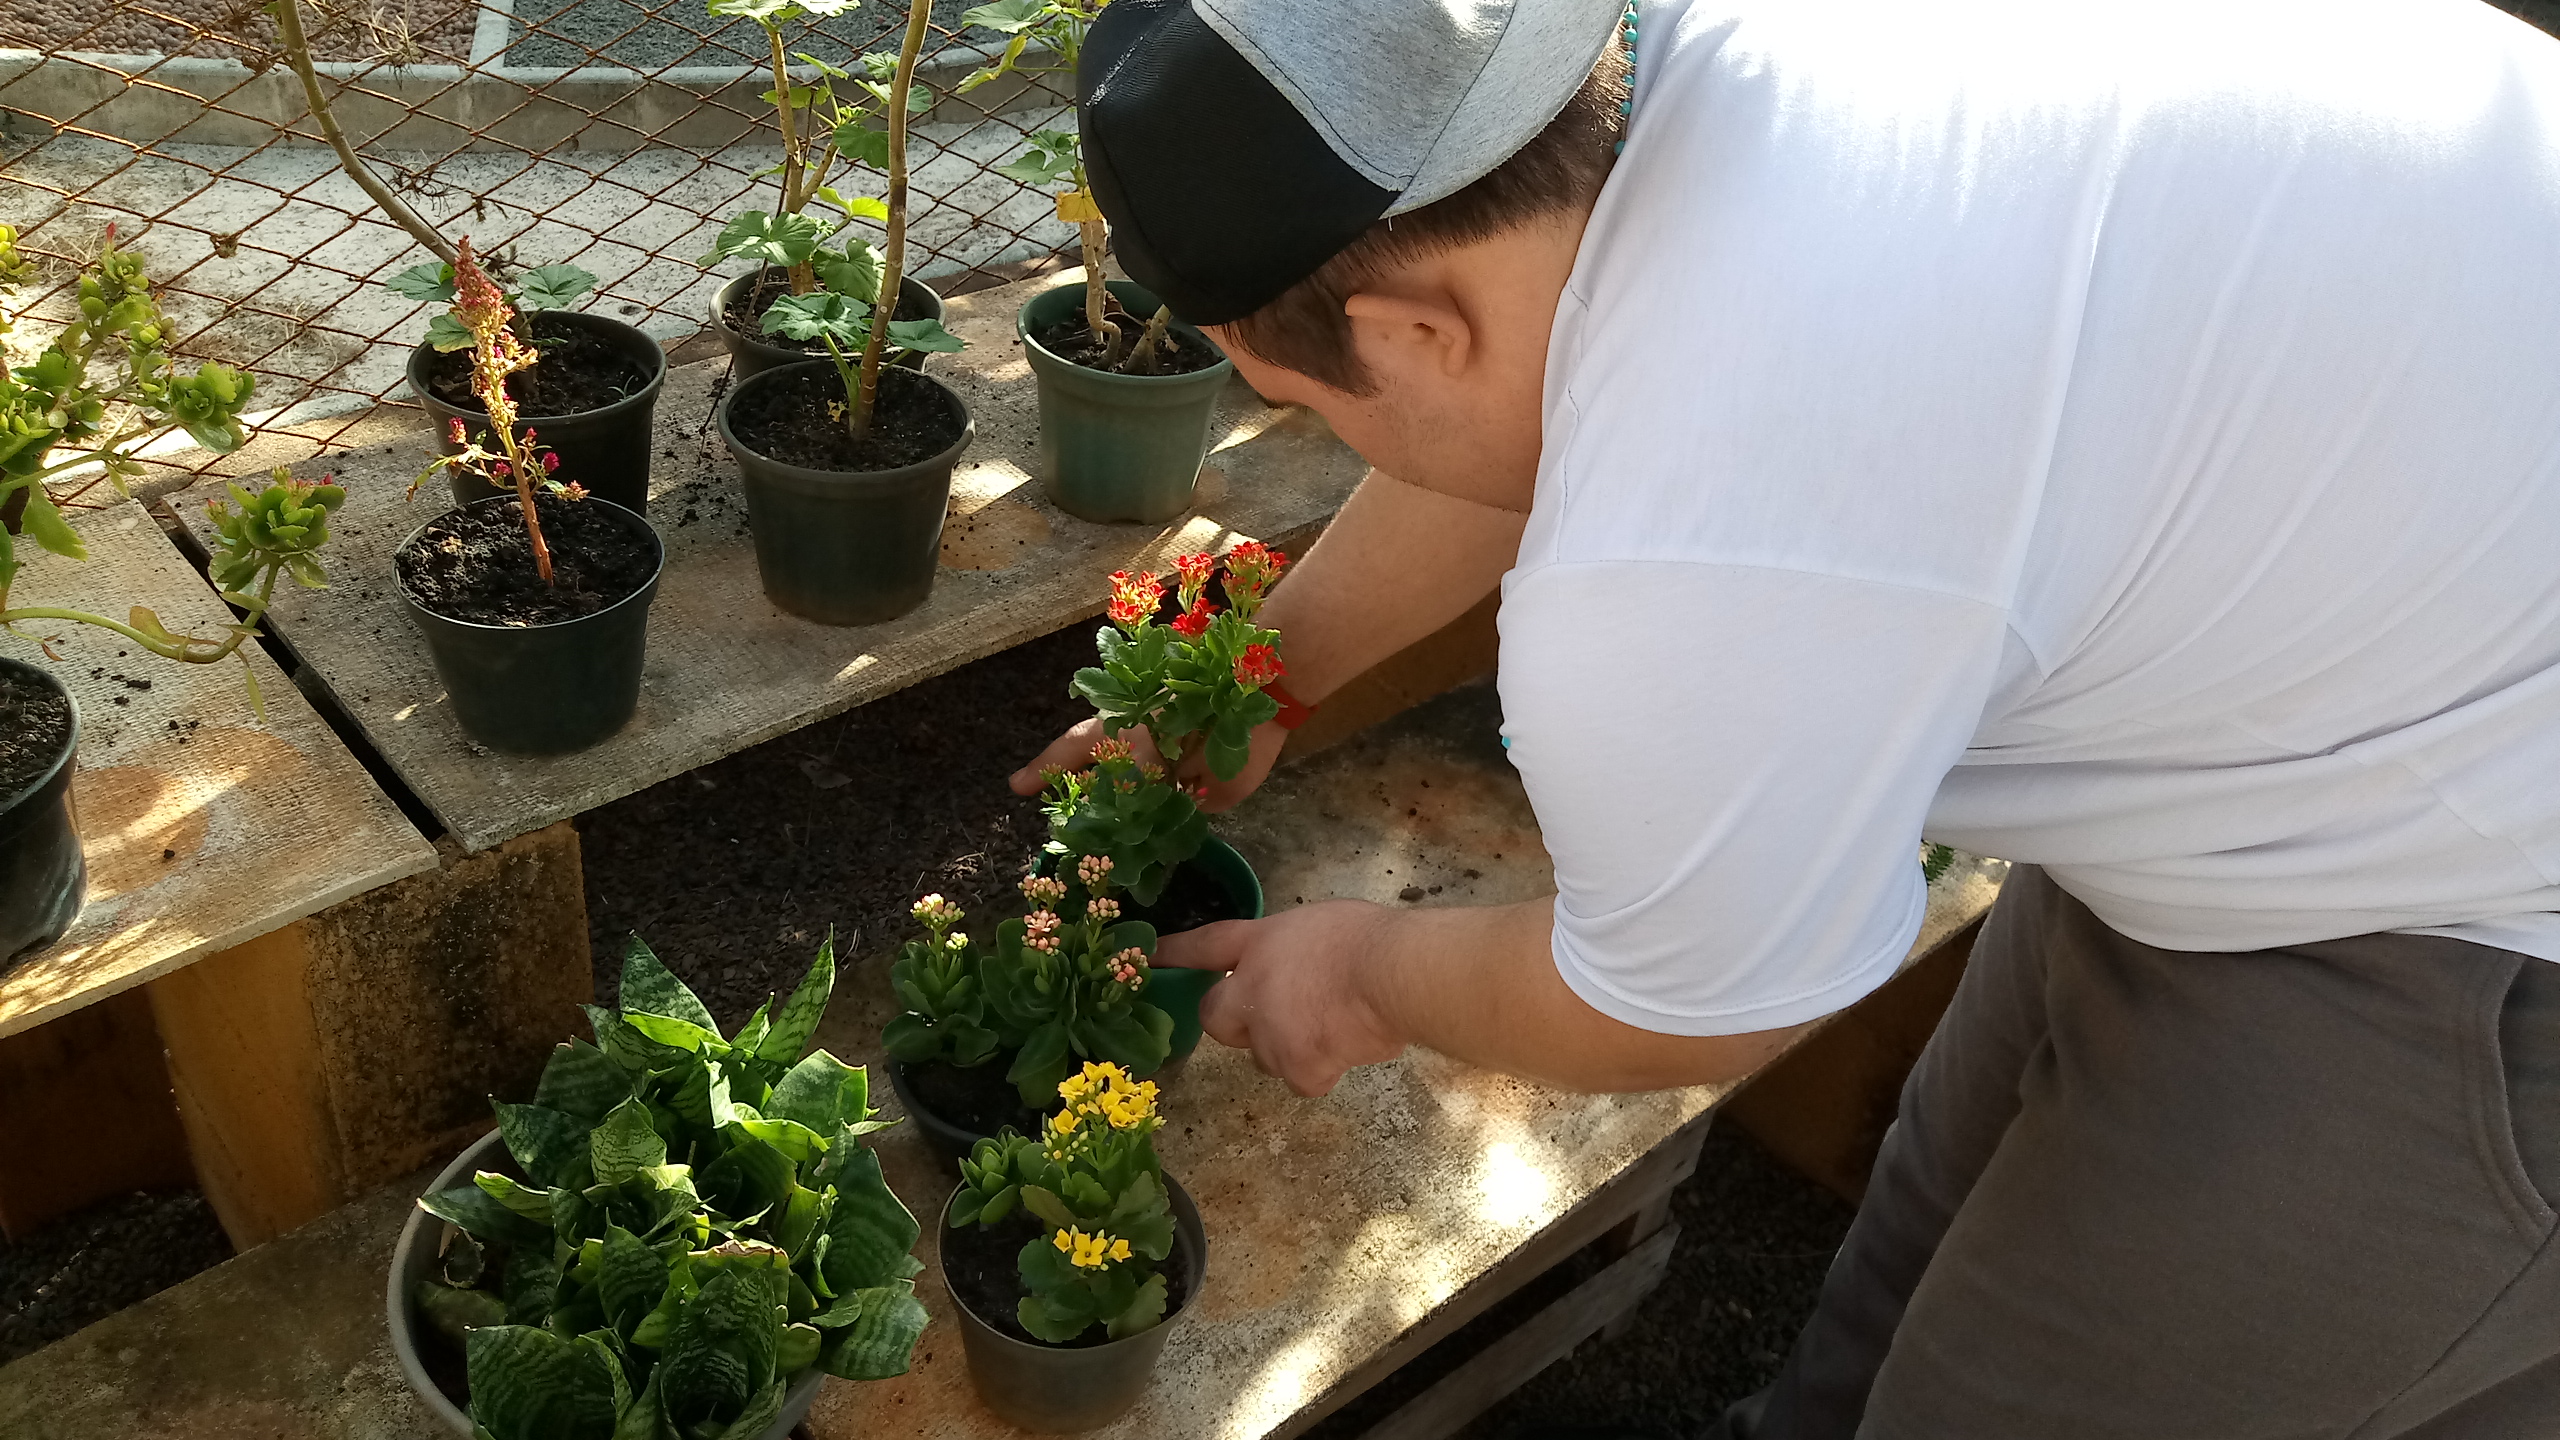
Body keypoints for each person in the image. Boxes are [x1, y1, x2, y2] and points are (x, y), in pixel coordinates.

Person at [1010, 0, 2560, 1432]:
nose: (1334, 430)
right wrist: (1267, 672)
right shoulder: (1668, 83)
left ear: (1415, 331)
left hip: (2473, 926)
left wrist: (1361, 969)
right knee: (1924, 1228)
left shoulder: (1701, 547)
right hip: (2362, 645)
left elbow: (1686, 1001)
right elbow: (1528, 384)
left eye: (1307, 399)